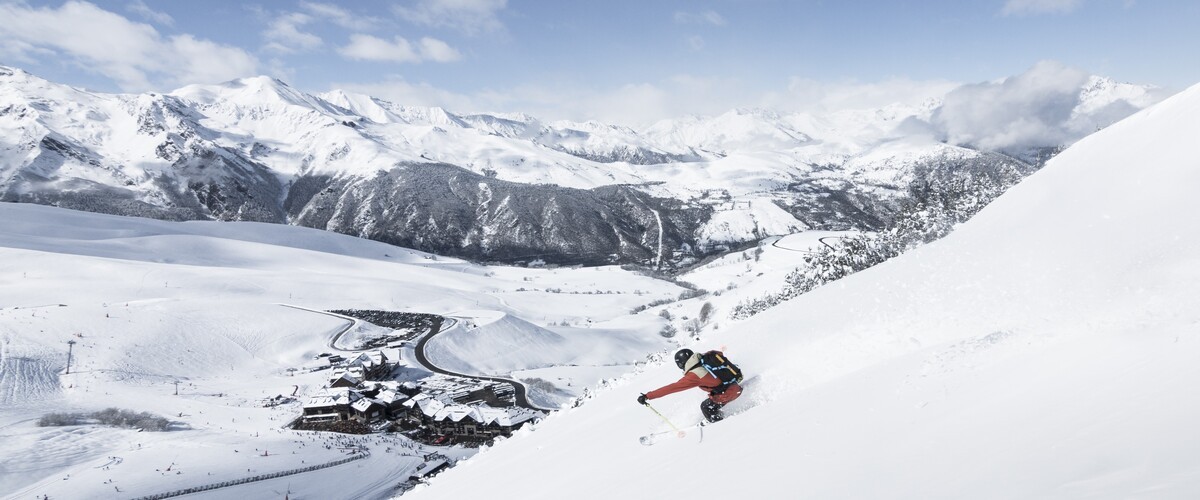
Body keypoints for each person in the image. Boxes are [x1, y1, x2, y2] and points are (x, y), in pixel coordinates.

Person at [638, 349, 742, 422]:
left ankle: (720, 424)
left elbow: (672, 388)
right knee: (710, 400)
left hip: (729, 393)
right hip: (734, 385)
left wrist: (648, 396)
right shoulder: (706, 358)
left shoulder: (694, 375)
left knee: (706, 407)